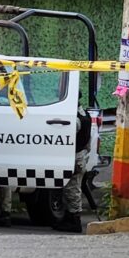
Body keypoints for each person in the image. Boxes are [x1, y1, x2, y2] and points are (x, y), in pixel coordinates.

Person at [54, 98, 92, 233]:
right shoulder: (85, 115)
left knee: (72, 190)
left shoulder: (76, 120)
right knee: (70, 189)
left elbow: (67, 137)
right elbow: (88, 140)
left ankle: (74, 221)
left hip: (75, 157)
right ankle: (68, 218)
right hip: (80, 155)